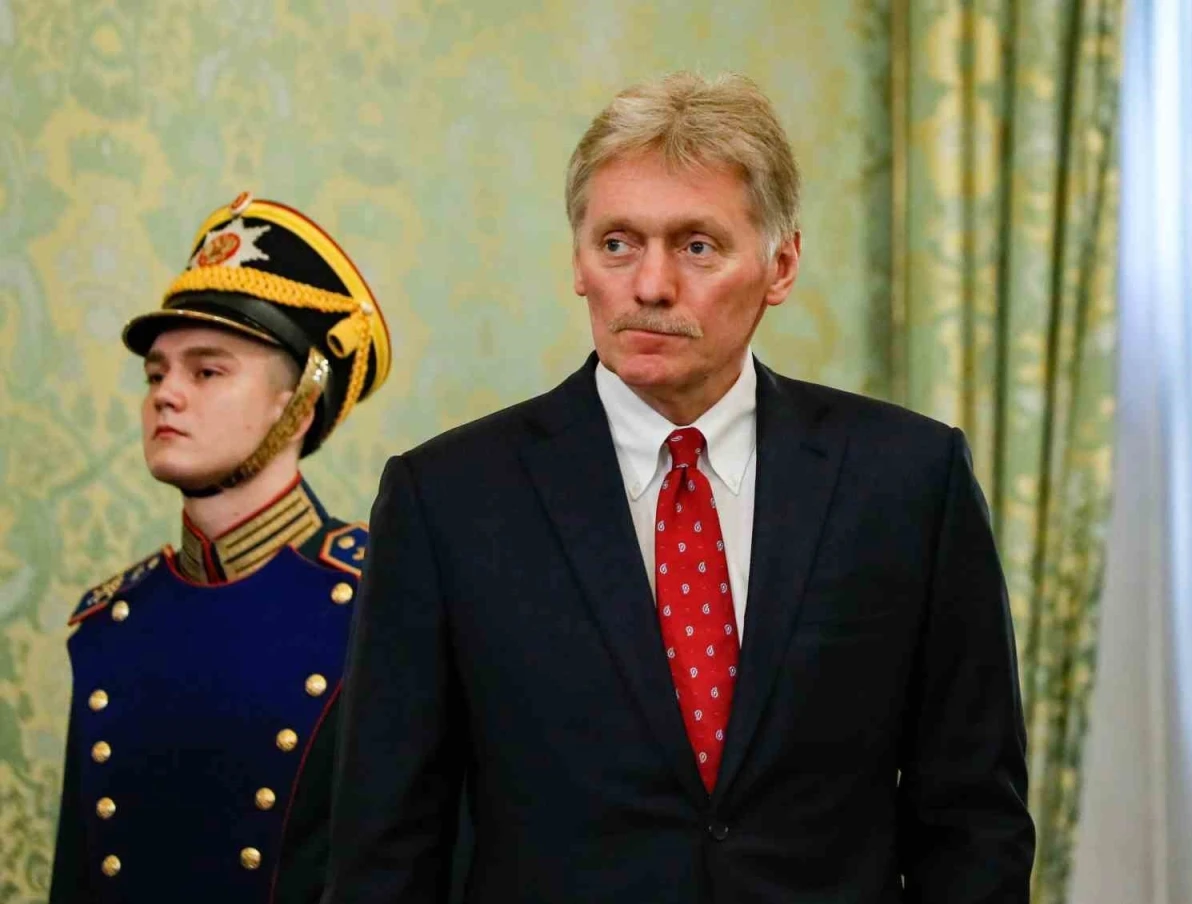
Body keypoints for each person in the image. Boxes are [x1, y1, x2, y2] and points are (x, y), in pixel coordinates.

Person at [324, 72, 1035, 903]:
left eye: (697, 246)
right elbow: (386, 851)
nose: (651, 285)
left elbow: (974, 824)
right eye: (617, 243)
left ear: (781, 265)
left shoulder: (909, 481)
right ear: (579, 262)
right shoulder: (446, 500)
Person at [50, 193, 392, 904]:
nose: (166, 395)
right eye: (156, 374)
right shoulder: (109, 621)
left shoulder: (385, 606)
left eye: (207, 371)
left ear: (299, 404)